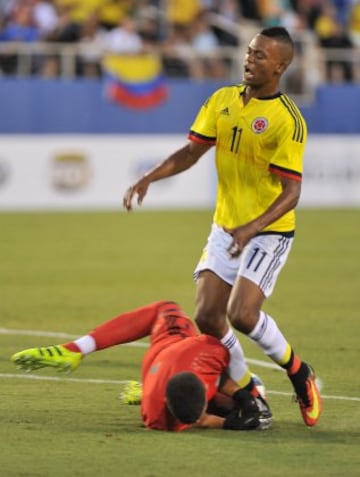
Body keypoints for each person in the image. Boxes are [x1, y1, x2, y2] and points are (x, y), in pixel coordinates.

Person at [123, 26, 322, 427]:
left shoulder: (287, 120)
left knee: (243, 315)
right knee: (209, 316)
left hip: (269, 229)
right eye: (249, 52)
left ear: (281, 66)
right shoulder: (222, 100)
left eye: (261, 56)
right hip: (227, 226)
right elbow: (192, 151)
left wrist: (252, 228)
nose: (250, 59)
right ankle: (249, 391)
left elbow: (291, 192)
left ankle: (299, 372)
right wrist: (151, 176)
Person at [11, 300, 272, 432]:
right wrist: (235, 413)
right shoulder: (158, 418)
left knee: (166, 308)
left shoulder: (159, 415)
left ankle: (79, 348)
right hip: (171, 359)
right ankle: (80, 350)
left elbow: (201, 415)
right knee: (164, 309)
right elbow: (201, 419)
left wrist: (239, 399)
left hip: (167, 349)